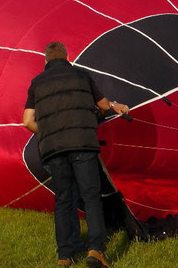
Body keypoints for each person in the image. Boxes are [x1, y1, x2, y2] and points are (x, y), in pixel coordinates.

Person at [23, 42, 129, 268]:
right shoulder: (81, 75)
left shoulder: (37, 83)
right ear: (67, 56)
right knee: (91, 197)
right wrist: (103, 112)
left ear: (45, 60)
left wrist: (48, 132)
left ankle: (65, 254)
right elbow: (102, 105)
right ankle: (96, 250)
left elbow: (27, 121)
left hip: (54, 148)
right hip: (82, 144)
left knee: (63, 199)